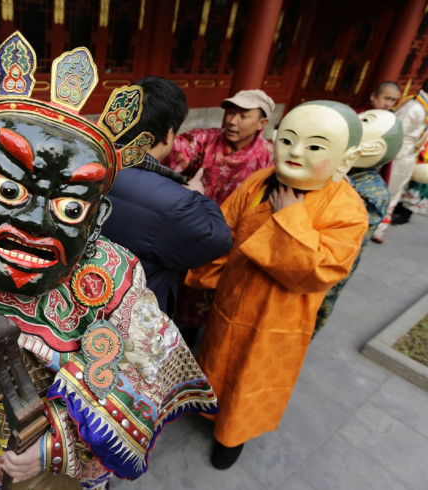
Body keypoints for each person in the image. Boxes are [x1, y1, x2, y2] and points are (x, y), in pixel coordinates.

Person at [0, 32, 219, 489]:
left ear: (95, 219)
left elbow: (142, 384)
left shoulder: (112, 280)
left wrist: (53, 445)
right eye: (9, 191)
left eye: (69, 208)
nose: (33, 224)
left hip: (58, 470)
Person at [186, 100, 369, 469]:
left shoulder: (347, 209)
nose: (296, 152)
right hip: (233, 299)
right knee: (219, 360)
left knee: (253, 379)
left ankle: (232, 436)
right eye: (287, 140)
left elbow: (322, 269)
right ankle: (208, 412)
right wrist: (207, 271)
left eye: (315, 146)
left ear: (345, 160)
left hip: (279, 317)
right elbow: (224, 230)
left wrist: (290, 218)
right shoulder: (258, 181)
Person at [101, 76, 232, 317]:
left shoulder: (84, 164)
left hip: (74, 303)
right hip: (130, 316)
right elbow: (218, 238)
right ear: (169, 134)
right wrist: (198, 195)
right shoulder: (177, 202)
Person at [162, 89, 275, 346]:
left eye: (243, 115)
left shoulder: (270, 159)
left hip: (229, 246)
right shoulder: (206, 140)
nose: (233, 120)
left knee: (210, 307)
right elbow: (173, 149)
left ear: (262, 123)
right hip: (187, 234)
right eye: (231, 112)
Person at [314, 109, 402, 335]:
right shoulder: (330, 166)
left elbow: (342, 227)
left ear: (375, 148)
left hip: (325, 268)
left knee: (306, 319)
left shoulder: (373, 192)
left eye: (363, 121)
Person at [372, 78, 428, 243]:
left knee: (394, 193)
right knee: (387, 190)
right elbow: (396, 132)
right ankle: (374, 226)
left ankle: (379, 227)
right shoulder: (414, 107)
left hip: (408, 155)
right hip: (398, 154)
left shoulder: (422, 107)